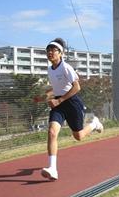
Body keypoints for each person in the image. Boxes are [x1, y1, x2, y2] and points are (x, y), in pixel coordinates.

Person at [41, 38, 103, 181]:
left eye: (53, 50)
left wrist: (60, 100)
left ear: (60, 53)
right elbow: (57, 88)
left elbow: (77, 87)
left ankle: (94, 124)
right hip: (59, 106)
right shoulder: (50, 70)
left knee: (78, 136)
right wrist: (45, 96)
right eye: (48, 50)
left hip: (72, 103)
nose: (50, 53)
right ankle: (52, 169)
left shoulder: (66, 67)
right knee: (51, 132)